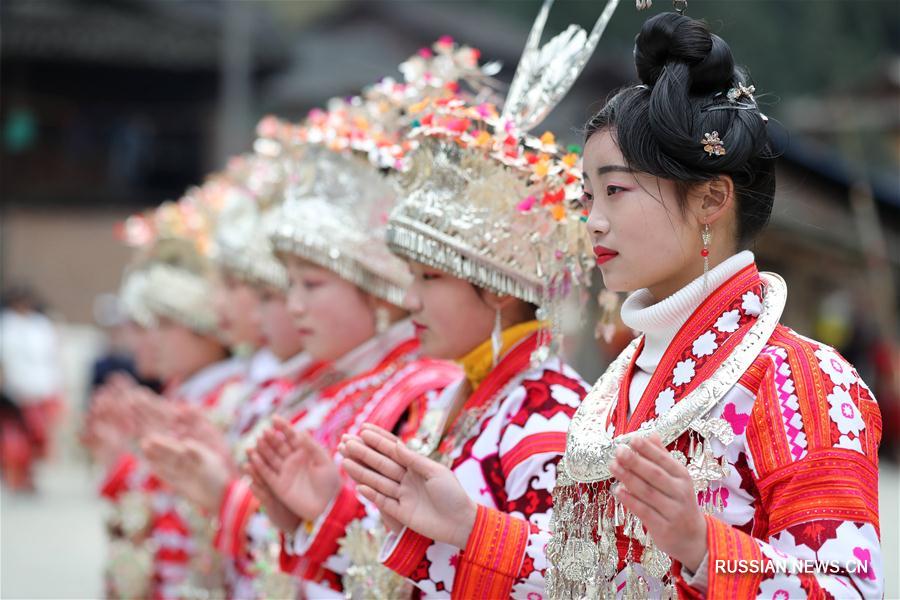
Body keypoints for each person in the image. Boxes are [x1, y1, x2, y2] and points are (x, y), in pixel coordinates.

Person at [0, 285, 63, 491]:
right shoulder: (6, 325)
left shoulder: (40, 325)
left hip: (40, 389)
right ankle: (16, 477)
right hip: (15, 391)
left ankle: (30, 475)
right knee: (15, 438)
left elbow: (51, 357)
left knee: (37, 438)